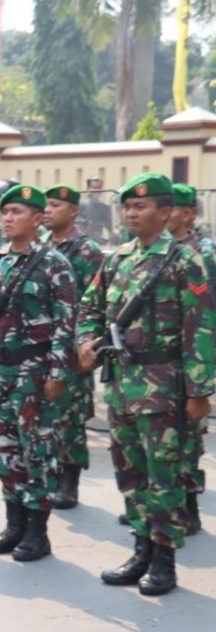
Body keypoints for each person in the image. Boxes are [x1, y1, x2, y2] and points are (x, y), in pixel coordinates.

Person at [78, 172, 214, 596]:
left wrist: (199, 390)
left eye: (141, 207)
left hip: (164, 385)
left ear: (166, 211)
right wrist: (85, 340)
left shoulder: (185, 260)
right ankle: (140, 551)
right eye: (128, 207)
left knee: (164, 475)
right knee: (130, 471)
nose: (131, 214)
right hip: (121, 383)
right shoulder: (116, 258)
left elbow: (202, 328)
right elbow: (90, 306)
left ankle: (164, 561)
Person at [0, 184, 76, 562]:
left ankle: (37, 532)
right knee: (4, 449)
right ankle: (13, 524)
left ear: (38, 219)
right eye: (5, 212)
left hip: (36, 371)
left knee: (36, 451)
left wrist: (58, 373)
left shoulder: (54, 264)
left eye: (17, 212)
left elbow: (65, 324)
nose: (8, 218)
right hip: (0, 370)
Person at [40, 184, 104, 509]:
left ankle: (69, 480)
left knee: (71, 418)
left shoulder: (87, 251)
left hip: (71, 350)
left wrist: (87, 349)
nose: (47, 210)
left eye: (54, 205)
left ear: (73, 211)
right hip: (40, 349)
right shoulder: (37, 248)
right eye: (46, 205)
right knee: (45, 417)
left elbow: (96, 306)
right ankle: (47, 474)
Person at [166, 182, 216, 536]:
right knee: (161, 436)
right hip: (159, 365)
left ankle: (189, 505)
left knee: (188, 435)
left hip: (195, 355)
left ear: (190, 213)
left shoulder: (206, 253)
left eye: (173, 207)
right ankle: (160, 505)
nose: (164, 212)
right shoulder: (156, 251)